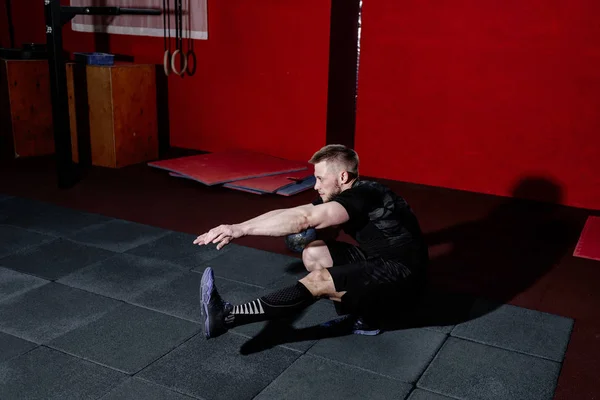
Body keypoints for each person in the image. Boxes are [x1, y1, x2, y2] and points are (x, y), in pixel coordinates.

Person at [193, 144, 429, 339]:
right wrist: (234, 226)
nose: (315, 186)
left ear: (343, 177)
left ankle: (226, 317)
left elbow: (304, 219)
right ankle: (365, 318)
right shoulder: (348, 193)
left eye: (319, 178)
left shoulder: (365, 195)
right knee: (314, 253)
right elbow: (294, 211)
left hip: (404, 278)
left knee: (319, 280)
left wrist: (239, 230)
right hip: (381, 261)